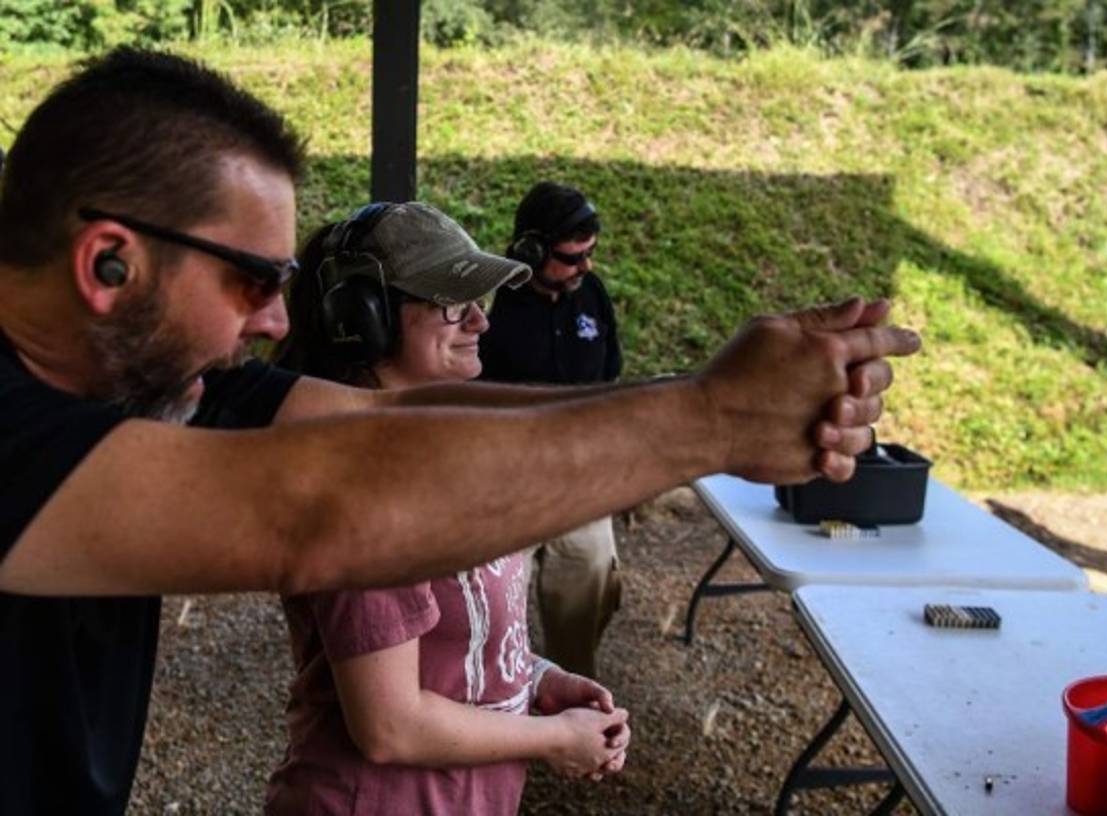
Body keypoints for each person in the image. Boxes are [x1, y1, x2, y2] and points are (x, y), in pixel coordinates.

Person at [0, 48, 919, 816]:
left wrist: (713, 397)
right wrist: (715, 421)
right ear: (108, 262)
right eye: (252, 282)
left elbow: (390, 420)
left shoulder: (153, 380)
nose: (276, 322)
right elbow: (317, 512)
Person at [265, 202, 629, 814]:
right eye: (453, 304)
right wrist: (553, 739)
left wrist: (535, 679)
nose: (481, 323)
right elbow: (389, 725)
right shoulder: (366, 487)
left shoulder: (432, 458)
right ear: (365, 321)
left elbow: (453, 644)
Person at [479, 182, 622, 677]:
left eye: (590, 254)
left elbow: (611, 374)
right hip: (510, 479)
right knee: (491, 600)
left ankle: (572, 689)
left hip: (582, 475)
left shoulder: (593, 296)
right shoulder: (491, 310)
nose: (585, 267)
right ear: (531, 251)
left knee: (592, 580)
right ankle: (499, 692)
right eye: (571, 257)